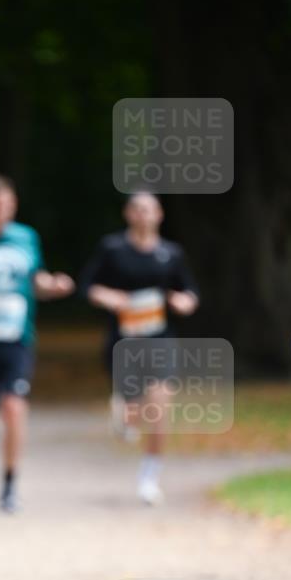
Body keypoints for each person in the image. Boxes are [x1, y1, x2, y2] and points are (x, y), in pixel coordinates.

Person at [0, 175, 75, 511]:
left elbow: (35, 277)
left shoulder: (26, 238)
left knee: (14, 404)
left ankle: (9, 484)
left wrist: (51, 284)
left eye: (6, 205)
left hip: (17, 338)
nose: (0, 212)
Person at [80, 192, 199, 504]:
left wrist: (184, 301)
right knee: (132, 413)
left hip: (159, 340)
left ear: (159, 214)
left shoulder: (170, 253)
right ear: (128, 214)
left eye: (149, 210)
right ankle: (124, 414)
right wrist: (107, 296)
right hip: (123, 342)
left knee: (160, 408)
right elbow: (88, 285)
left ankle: (150, 477)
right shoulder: (113, 248)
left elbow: (188, 290)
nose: (144, 215)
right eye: (138, 209)